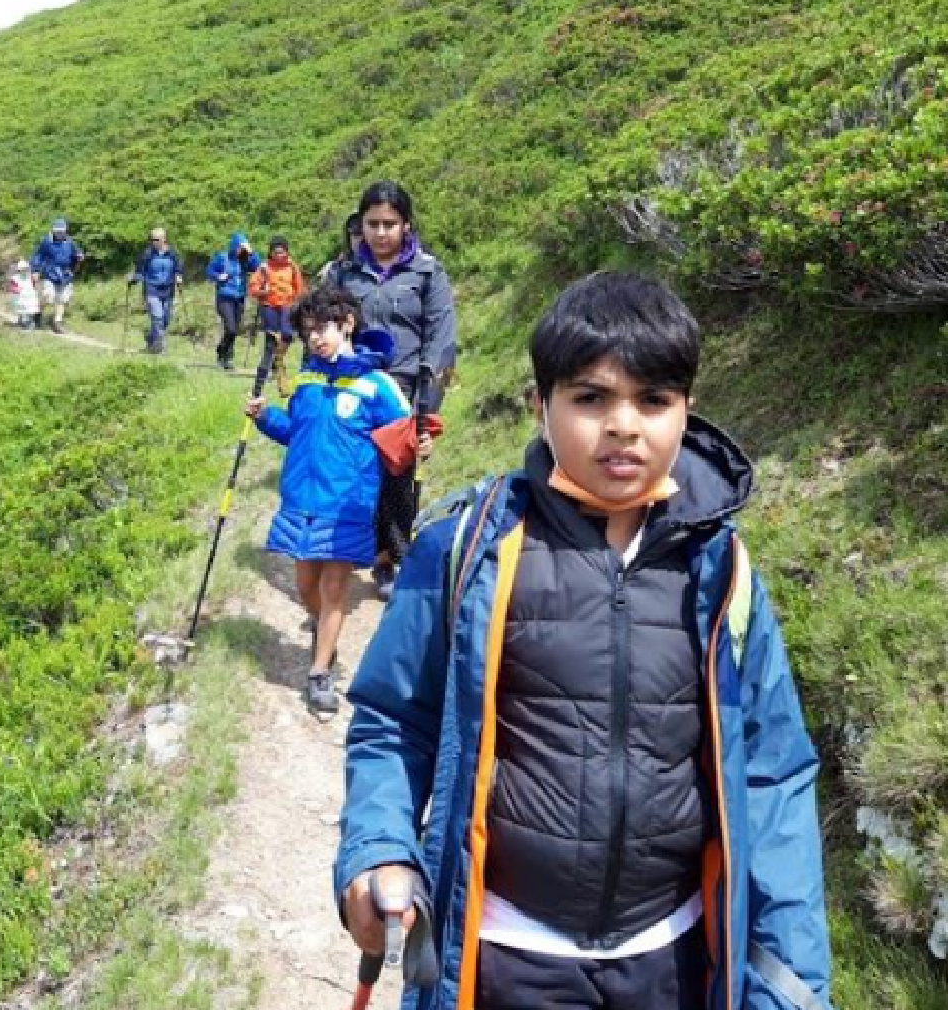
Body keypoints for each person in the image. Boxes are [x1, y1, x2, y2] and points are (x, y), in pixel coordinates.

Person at [334, 272, 831, 1011]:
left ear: (687, 411)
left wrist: (789, 982)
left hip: (672, 957)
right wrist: (377, 849)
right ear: (541, 406)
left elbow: (773, 776)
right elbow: (392, 719)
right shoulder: (467, 550)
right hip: (505, 953)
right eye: (591, 398)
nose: (624, 426)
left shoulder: (720, 569)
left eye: (654, 400)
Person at [244, 285, 419, 716]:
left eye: (323, 328)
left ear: (347, 325)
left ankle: (320, 673)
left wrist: (420, 442)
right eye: (308, 332)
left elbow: (405, 439)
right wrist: (266, 416)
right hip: (301, 500)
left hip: (347, 507)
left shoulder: (376, 385)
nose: (316, 338)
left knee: (335, 586)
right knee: (306, 586)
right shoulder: (306, 381)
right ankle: (328, 637)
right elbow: (294, 433)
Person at [332, 181, 455, 598]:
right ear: (360, 225)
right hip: (351, 386)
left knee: (397, 474)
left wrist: (426, 407)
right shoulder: (342, 273)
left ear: (406, 225)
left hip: (402, 389)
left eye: (390, 224)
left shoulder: (427, 272)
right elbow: (321, 326)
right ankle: (349, 548)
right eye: (373, 224)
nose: (381, 232)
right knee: (353, 470)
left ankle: (390, 558)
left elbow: (440, 342)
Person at [248, 235, 306, 394]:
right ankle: (257, 390)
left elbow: (300, 288)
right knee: (270, 345)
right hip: (270, 306)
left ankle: (278, 360)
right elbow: (252, 288)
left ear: (286, 252)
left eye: (282, 252)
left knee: (287, 335)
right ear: (271, 252)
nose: (279, 255)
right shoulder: (264, 267)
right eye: (276, 252)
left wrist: (299, 303)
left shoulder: (292, 267)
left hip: (287, 306)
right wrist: (262, 291)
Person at [205, 230, 260, 370]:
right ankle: (223, 354)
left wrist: (251, 252)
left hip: (239, 298)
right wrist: (218, 276)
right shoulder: (223, 257)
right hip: (224, 297)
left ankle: (226, 358)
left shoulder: (246, 259)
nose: (240, 251)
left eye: (242, 248)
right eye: (238, 248)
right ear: (233, 246)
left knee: (234, 330)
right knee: (230, 328)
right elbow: (209, 271)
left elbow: (258, 267)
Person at [128, 226, 184, 354]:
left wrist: (179, 277)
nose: (153, 242)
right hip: (151, 289)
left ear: (164, 239)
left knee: (165, 320)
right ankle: (160, 347)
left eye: (156, 239)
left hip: (169, 290)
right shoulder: (147, 254)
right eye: (151, 239)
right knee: (158, 317)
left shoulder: (173, 253)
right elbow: (140, 271)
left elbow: (178, 269)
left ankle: (150, 338)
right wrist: (133, 279)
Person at [30, 217, 84, 334]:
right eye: (57, 231)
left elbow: (76, 254)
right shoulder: (46, 241)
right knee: (48, 297)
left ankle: (57, 323)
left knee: (62, 299)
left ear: (65, 231)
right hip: (49, 273)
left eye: (62, 231)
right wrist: (35, 270)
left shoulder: (70, 242)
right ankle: (37, 313)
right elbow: (38, 256)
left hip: (65, 274)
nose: (59, 233)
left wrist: (79, 256)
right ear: (54, 230)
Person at [8, 259, 39, 329]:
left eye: (26, 269)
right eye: (23, 269)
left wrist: (35, 286)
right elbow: (12, 286)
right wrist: (15, 289)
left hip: (30, 297)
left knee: (30, 310)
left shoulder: (31, 277)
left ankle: (30, 323)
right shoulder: (15, 278)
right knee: (21, 310)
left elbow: (34, 285)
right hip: (20, 297)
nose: (24, 271)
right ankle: (20, 321)